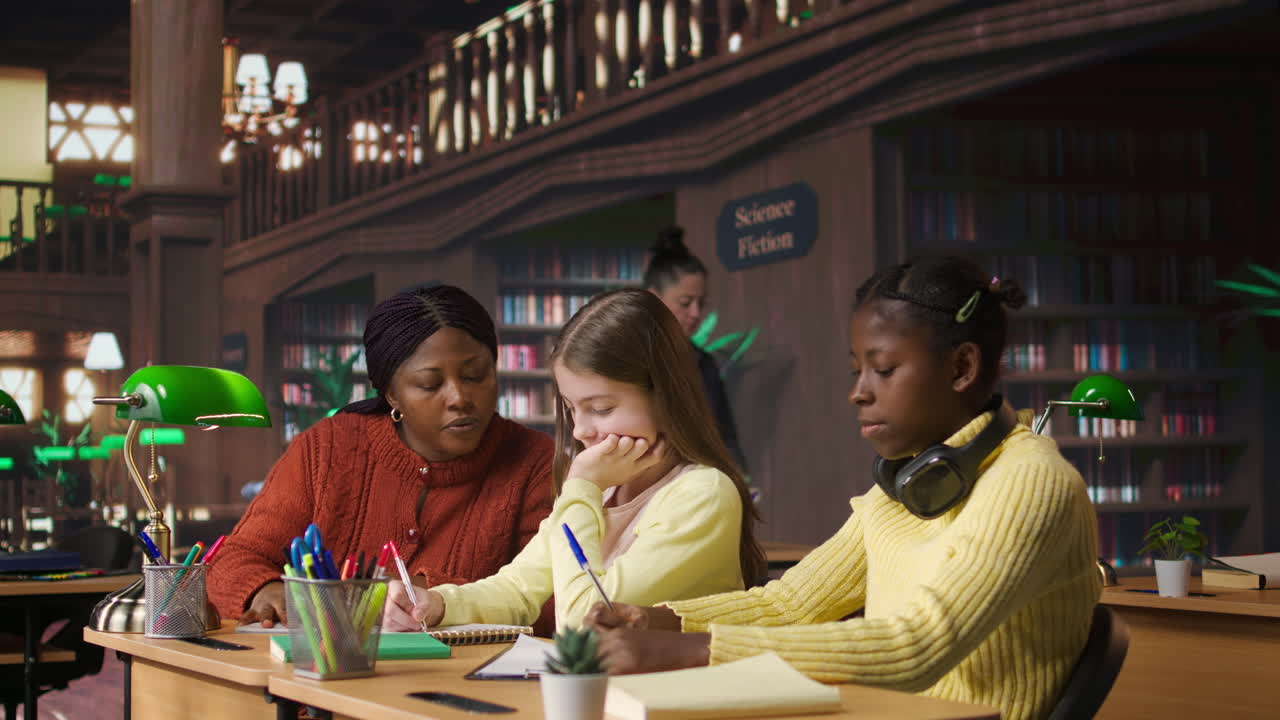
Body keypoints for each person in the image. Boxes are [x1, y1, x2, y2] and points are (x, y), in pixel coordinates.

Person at [586, 257, 1101, 720]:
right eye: (857, 371)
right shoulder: (908, 481)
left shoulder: (1031, 480)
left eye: (883, 370)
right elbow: (793, 603)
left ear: (962, 367)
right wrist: (662, 621)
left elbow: (916, 646)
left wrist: (693, 649)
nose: (858, 392)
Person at [382, 289, 766, 631]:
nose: (581, 430)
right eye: (570, 409)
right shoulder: (602, 488)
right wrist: (436, 604)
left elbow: (584, 624)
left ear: (664, 397)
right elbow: (518, 589)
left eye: (600, 408)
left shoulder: (702, 493)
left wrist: (582, 486)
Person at [208, 285, 554, 627]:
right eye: (431, 384)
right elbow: (232, 561)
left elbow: (555, 603)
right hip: (320, 676)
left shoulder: (535, 461)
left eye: (476, 375)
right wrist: (265, 590)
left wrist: (433, 596)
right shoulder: (326, 449)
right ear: (392, 394)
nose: (459, 397)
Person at [644, 227, 748, 473]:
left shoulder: (703, 362)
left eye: (701, 303)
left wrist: (741, 480)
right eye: (685, 302)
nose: (695, 313)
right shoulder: (629, 358)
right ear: (653, 298)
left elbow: (725, 436)